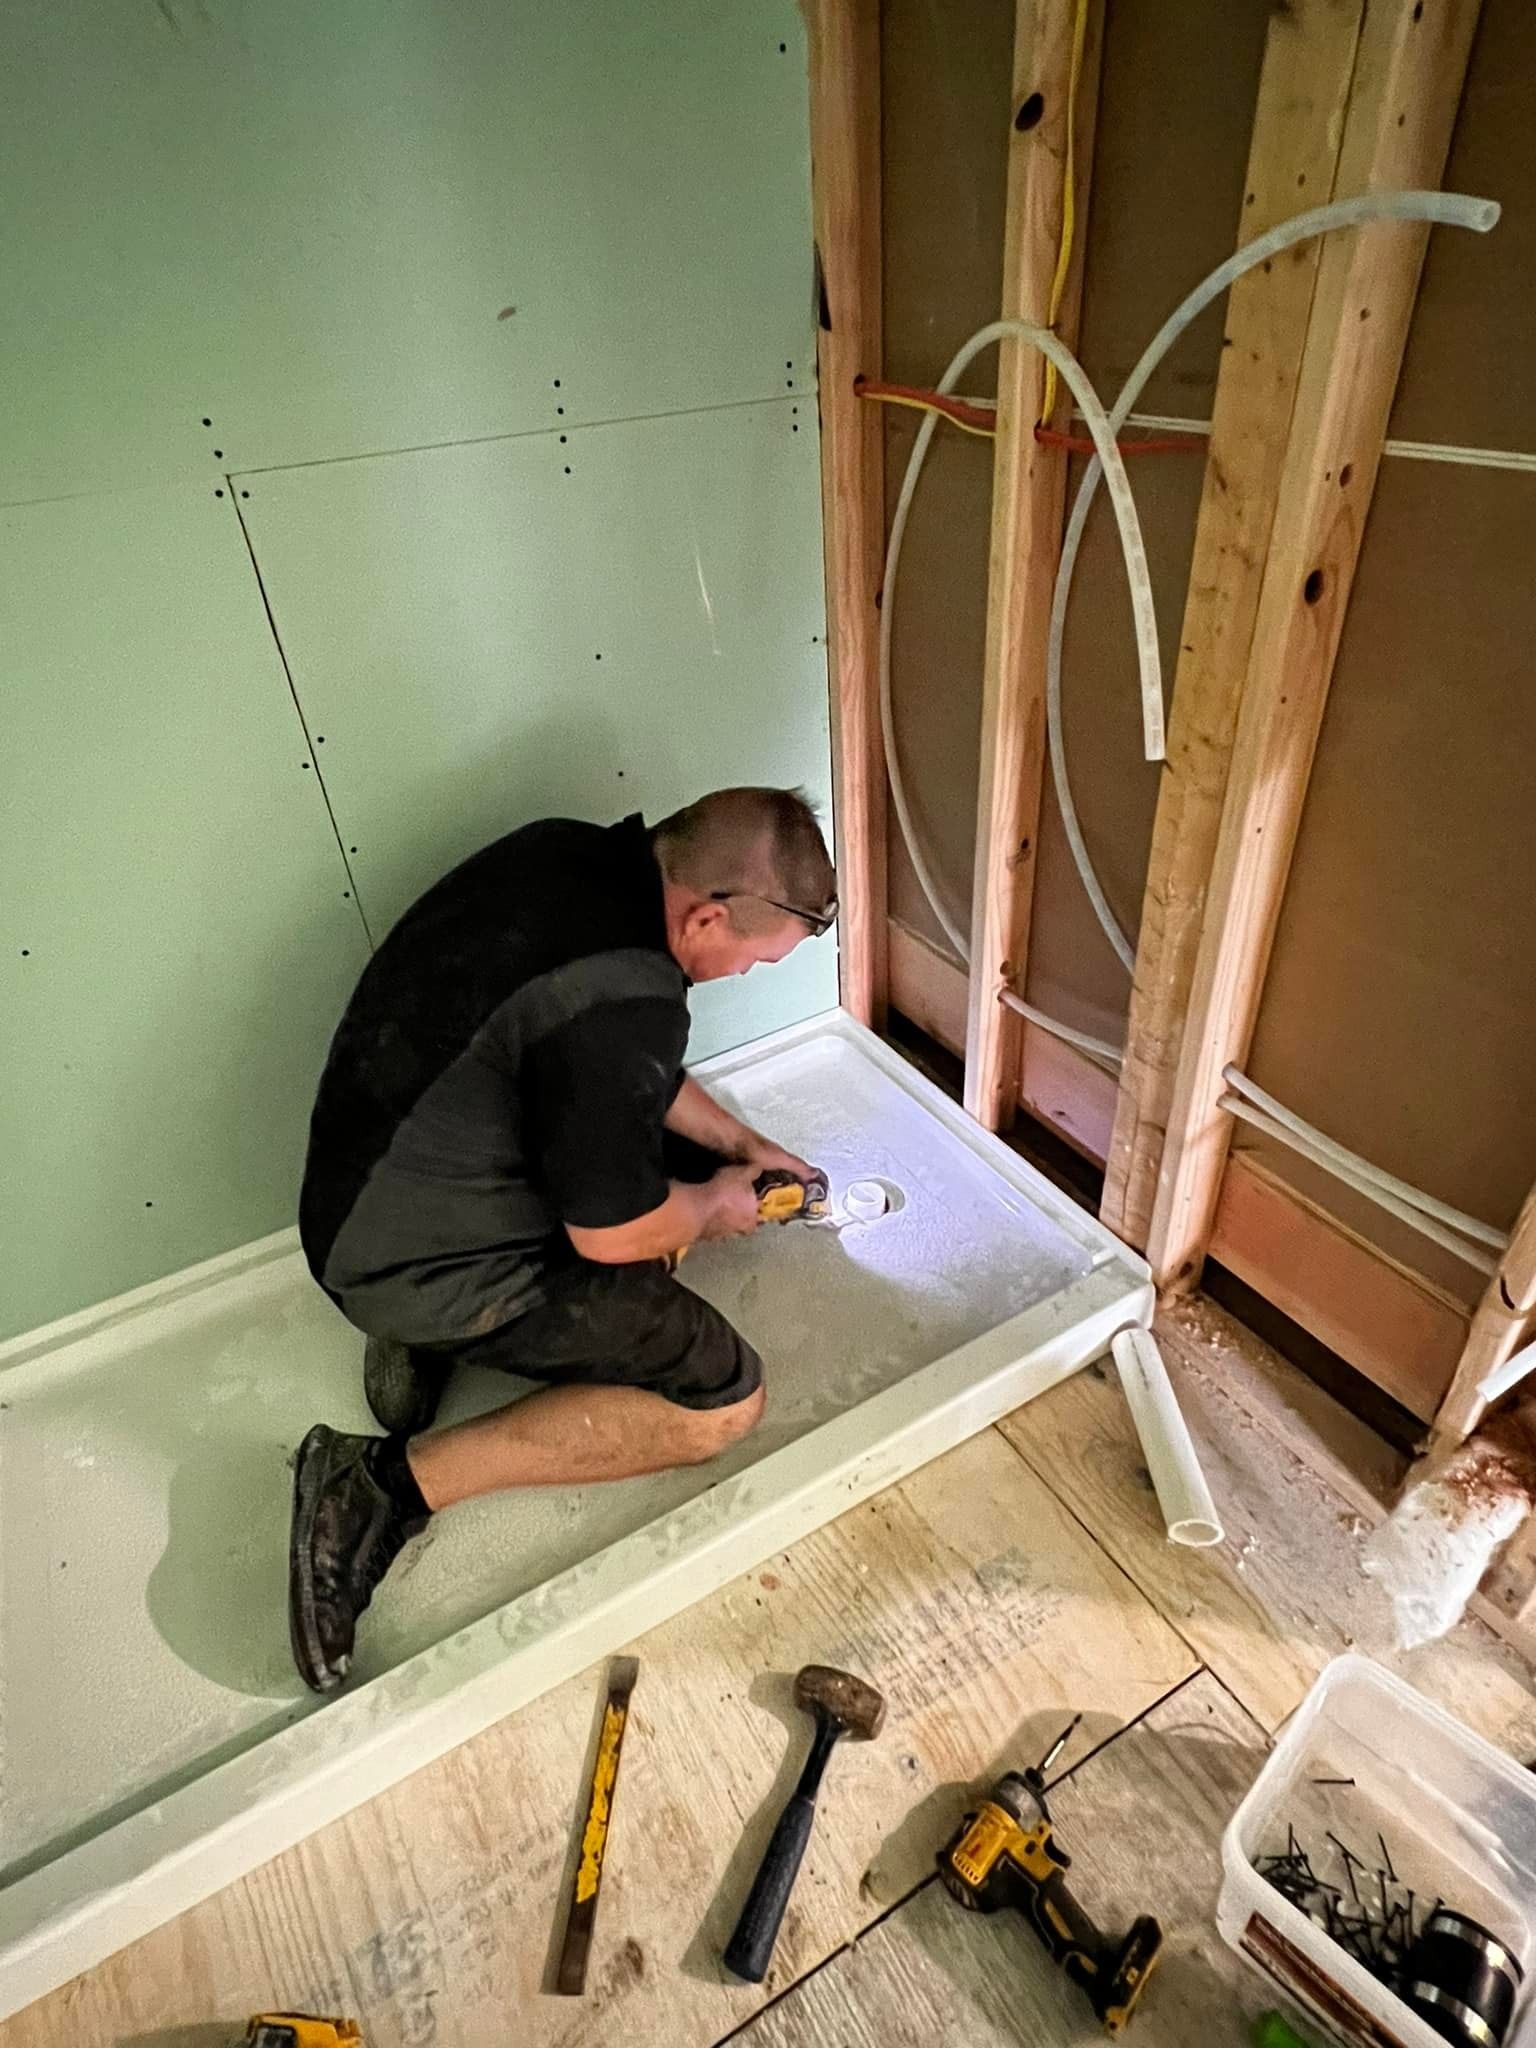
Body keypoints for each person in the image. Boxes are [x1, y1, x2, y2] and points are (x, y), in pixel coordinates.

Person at [287, 787, 836, 1692]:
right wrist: (713, 1209)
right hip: (415, 1262)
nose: (744, 976)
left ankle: (427, 1336)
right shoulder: (626, 1007)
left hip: (372, 1195)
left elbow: (611, 1068)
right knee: (723, 1400)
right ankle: (379, 1482)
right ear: (704, 915)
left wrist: (741, 1147)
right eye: (753, 959)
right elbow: (615, 1231)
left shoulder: (567, 854)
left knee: (658, 1161)